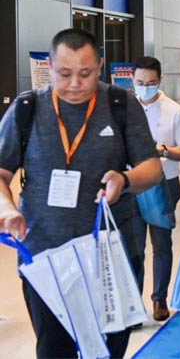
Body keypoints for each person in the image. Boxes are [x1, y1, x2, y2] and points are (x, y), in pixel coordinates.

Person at [0, 28, 163, 359]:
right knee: (53, 350)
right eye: (64, 74)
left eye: (85, 74)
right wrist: (7, 209)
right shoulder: (27, 108)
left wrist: (125, 179)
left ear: (100, 66)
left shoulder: (120, 104)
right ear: (49, 66)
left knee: (108, 351)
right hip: (45, 255)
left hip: (110, 256)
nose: (75, 83)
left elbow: (152, 167)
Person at [130, 56, 180, 322]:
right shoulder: (125, 108)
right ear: (132, 79)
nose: (145, 87)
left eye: (151, 83)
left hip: (164, 183)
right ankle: (133, 304)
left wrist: (164, 150)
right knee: (133, 247)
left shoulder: (175, 111)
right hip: (131, 184)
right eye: (140, 82)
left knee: (161, 244)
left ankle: (159, 299)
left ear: (160, 80)